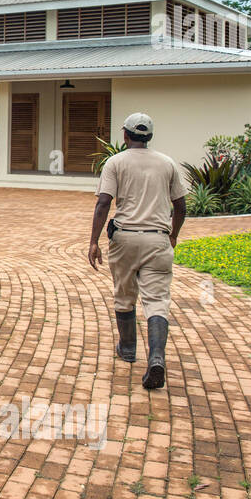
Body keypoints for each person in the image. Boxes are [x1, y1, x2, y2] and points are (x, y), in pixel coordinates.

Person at [87, 112, 187, 389]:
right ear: (150, 137)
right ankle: (156, 356)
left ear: (125, 135)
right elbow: (181, 207)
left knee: (124, 294)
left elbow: (103, 203)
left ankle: (128, 348)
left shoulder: (115, 162)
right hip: (158, 239)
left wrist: (93, 241)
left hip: (125, 239)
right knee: (157, 301)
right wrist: (173, 234)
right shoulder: (167, 163)